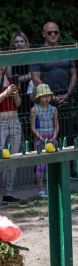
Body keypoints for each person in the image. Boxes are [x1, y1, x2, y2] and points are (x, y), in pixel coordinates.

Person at [30, 22, 77, 179]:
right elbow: (36, 79)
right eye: (49, 32)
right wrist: (52, 97)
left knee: (67, 132)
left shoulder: (66, 50)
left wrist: (68, 94)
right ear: (43, 34)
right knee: (44, 134)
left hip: (66, 97)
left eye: (55, 32)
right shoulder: (38, 53)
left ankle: (69, 168)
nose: (52, 35)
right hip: (45, 101)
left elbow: (74, 74)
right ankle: (42, 170)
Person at [31, 84, 58, 199]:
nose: (47, 98)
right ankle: (41, 189)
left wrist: (54, 137)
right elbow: (32, 127)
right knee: (40, 165)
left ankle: (54, 187)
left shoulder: (54, 109)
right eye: (44, 96)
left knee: (54, 164)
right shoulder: (34, 110)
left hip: (52, 139)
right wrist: (40, 138)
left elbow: (57, 126)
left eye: (49, 96)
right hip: (40, 140)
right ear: (38, 97)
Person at [0, 63, 22, 204]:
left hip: (14, 121)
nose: (1, 66)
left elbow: (18, 104)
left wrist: (15, 94)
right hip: (1, 122)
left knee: (13, 158)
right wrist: (5, 93)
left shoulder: (9, 79)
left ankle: (8, 192)